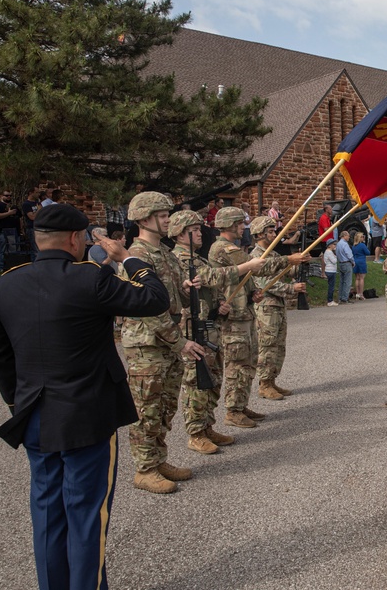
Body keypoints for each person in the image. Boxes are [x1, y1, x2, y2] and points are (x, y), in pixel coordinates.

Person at [0, 203, 170, 590]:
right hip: (87, 416)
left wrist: (16, 402)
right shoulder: (90, 279)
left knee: (49, 515)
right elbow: (154, 299)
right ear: (73, 239)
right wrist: (129, 258)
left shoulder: (8, 282)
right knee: (86, 516)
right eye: (85, 237)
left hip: (33, 415)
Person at [121, 192, 212, 494]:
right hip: (148, 345)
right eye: (162, 215)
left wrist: (187, 289)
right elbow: (146, 308)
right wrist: (179, 342)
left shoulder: (165, 254)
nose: (168, 220)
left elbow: (175, 299)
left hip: (168, 342)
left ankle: (158, 460)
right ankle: (144, 469)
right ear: (145, 219)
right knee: (147, 409)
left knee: (165, 406)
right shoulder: (137, 257)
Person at [169, 210, 260, 454]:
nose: (200, 234)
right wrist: (247, 266)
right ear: (179, 234)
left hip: (210, 325)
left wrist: (219, 303)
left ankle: (207, 425)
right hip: (192, 328)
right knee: (196, 382)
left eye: (200, 230)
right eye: (194, 231)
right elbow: (209, 277)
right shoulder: (177, 260)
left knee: (213, 379)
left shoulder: (197, 258)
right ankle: (195, 433)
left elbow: (209, 287)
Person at [209, 207, 305, 421]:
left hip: (244, 309)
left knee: (247, 361)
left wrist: (252, 292)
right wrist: (289, 260)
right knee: (238, 363)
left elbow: (247, 276)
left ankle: (240, 406)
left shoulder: (232, 247)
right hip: (233, 314)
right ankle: (234, 410)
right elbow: (257, 267)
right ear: (231, 225)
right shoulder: (224, 248)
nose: (244, 227)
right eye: (240, 224)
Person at [249, 215, 308, 400]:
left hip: (278, 306)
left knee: (279, 345)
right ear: (259, 234)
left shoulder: (274, 255)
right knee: (267, 345)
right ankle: (264, 384)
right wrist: (292, 288)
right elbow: (266, 283)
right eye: (271, 231)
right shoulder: (256, 257)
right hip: (266, 307)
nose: (275, 234)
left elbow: (287, 271)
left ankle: (272, 379)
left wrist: (300, 263)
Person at [0, 190, 22, 272]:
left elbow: (19, 218)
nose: (9, 197)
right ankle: (2, 267)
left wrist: (21, 229)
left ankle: (12, 266)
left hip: (14, 230)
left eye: (10, 195)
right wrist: (9, 213)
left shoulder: (14, 207)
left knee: (13, 249)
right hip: (3, 229)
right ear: (2, 196)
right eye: (7, 195)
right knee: (2, 249)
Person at [336, 229, 355, 303]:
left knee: (342, 281)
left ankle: (340, 297)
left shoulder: (338, 244)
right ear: (344, 236)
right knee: (347, 281)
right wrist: (353, 261)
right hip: (346, 263)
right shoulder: (345, 244)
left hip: (340, 262)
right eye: (348, 236)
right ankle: (345, 297)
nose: (349, 237)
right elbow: (349, 254)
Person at [22, 191, 40, 260]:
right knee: (35, 248)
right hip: (32, 228)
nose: (38, 194)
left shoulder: (38, 203)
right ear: (30, 193)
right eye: (36, 192)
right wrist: (38, 210)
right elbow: (32, 217)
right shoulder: (26, 204)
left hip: (39, 227)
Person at [352, 230, 371, 299]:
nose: (363, 238)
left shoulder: (354, 246)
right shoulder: (362, 245)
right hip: (361, 261)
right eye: (362, 237)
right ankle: (361, 293)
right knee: (362, 278)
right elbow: (368, 252)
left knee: (357, 278)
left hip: (355, 261)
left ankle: (357, 293)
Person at [323, 239, 338, 305]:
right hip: (330, 271)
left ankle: (330, 300)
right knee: (331, 286)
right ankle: (330, 300)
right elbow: (334, 261)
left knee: (331, 286)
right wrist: (336, 256)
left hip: (331, 270)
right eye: (334, 244)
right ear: (330, 245)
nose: (335, 246)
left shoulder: (329, 252)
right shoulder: (329, 252)